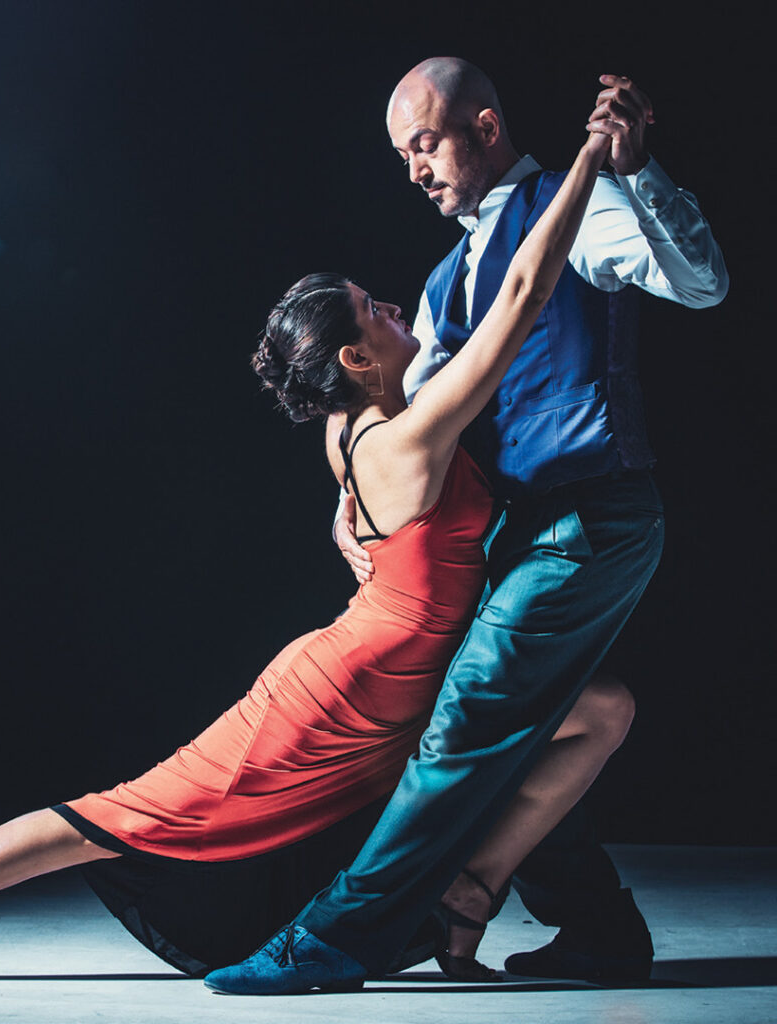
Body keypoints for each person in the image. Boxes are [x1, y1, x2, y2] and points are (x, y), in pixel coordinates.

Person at [0, 114, 624, 987]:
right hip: (342, 699)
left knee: (601, 711)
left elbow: (362, 509)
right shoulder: (411, 440)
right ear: (355, 356)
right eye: (378, 311)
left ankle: (468, 896)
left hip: (417, 674)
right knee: (113, 819)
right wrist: (589, 160)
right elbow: (525, 293)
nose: (399, 310)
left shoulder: (349, 423)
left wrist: (347, 525)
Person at [204, 61, 727, 995]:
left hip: (592, 512)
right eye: (401, 154)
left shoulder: (586, 207)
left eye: (425, 144)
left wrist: (640, 176)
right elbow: (408, 410)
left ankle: (338, 936)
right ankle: (598, 927)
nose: (413, 170)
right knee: (529, 723)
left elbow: (701, 285)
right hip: (519, 534)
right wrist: (348, 491)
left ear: (484, 127)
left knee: (468, 723)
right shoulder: (445, 280)